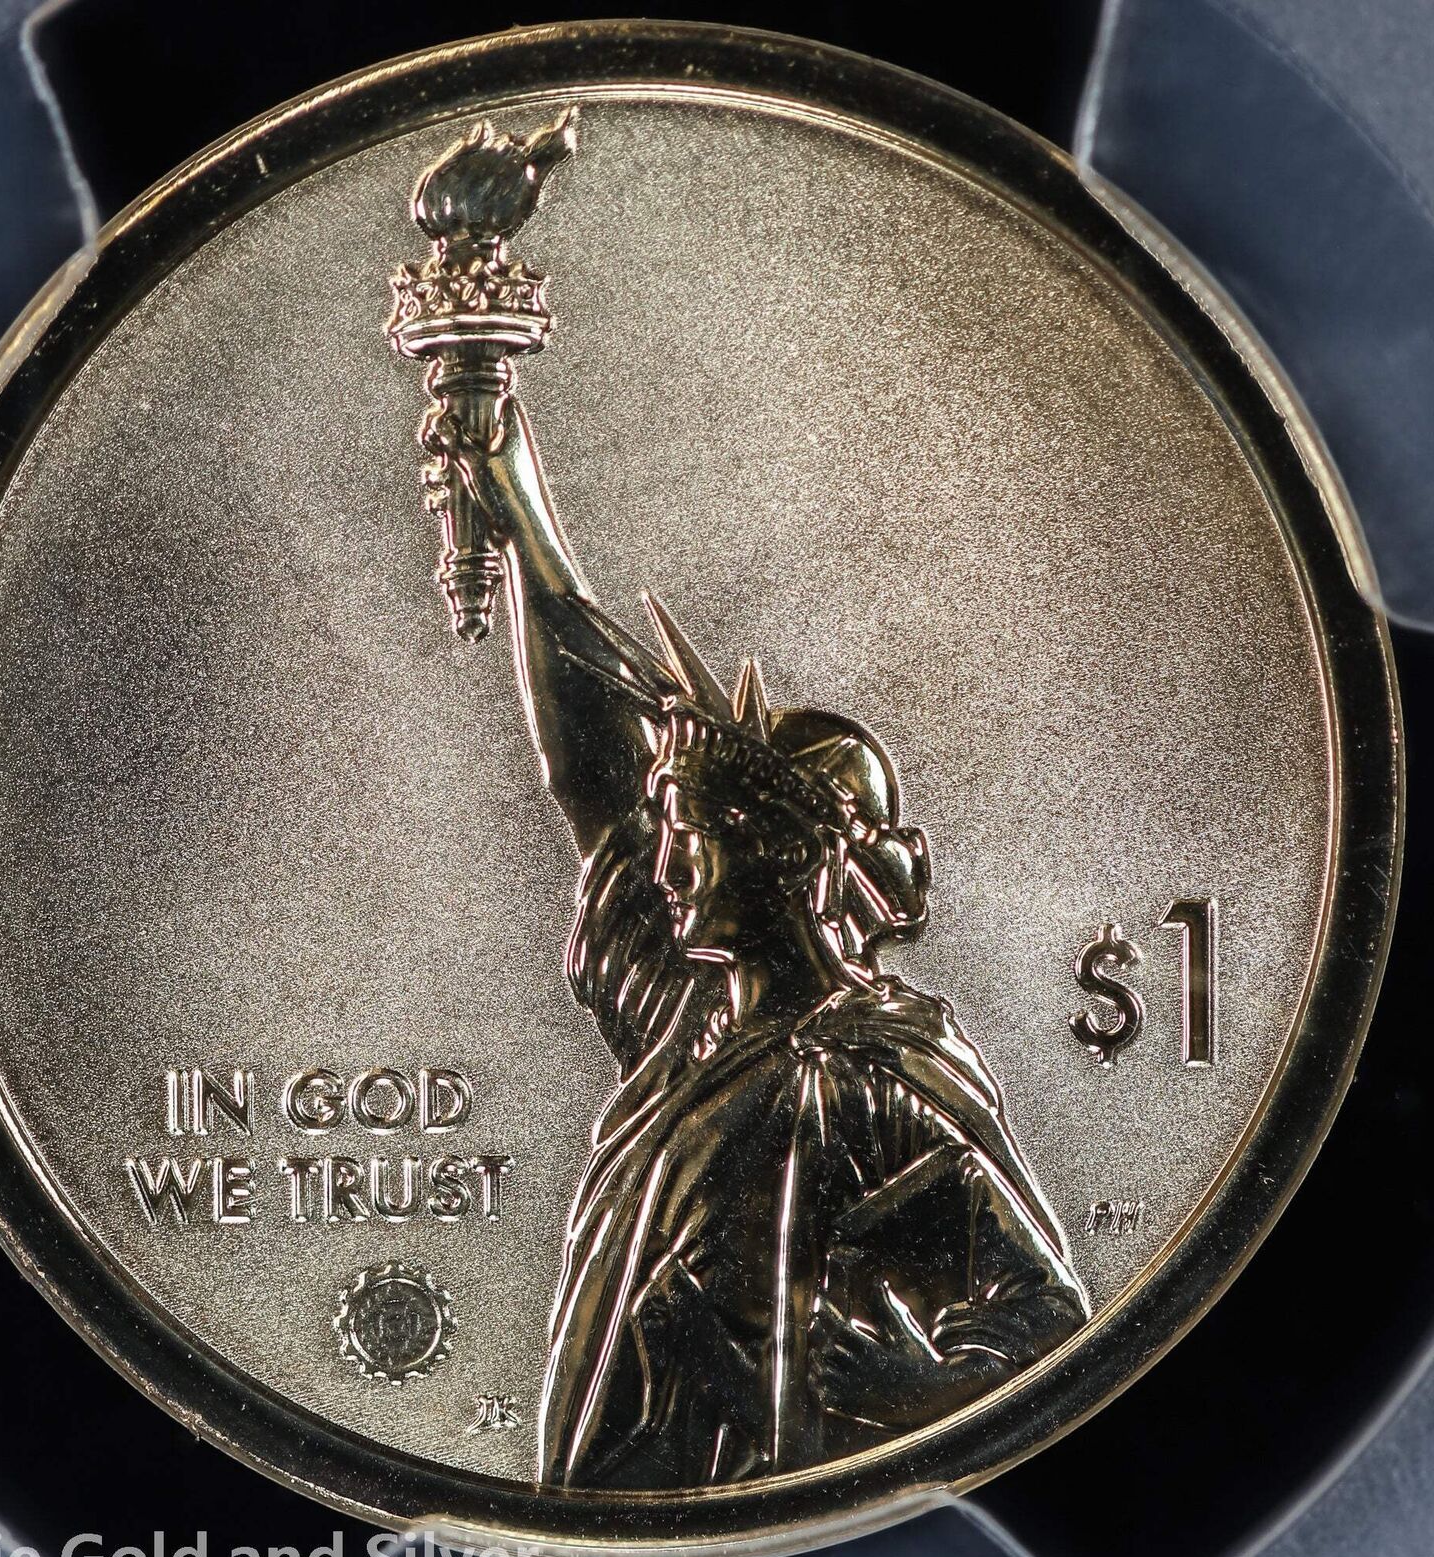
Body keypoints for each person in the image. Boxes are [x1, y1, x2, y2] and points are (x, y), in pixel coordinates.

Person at [426, 393, 1088, 1491]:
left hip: (806, 1527)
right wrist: (516, 504)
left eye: (694, 843)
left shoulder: (871, 1077)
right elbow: (591, 773)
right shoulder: (687, 1040)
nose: (668, 871)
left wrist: (914, 1394)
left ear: (780, 857)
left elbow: (1049, 1324)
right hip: (623, 1521)